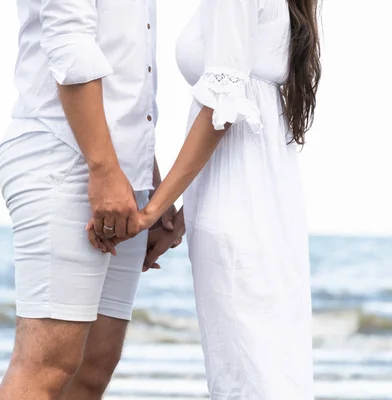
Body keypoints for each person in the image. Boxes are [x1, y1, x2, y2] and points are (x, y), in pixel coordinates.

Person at [89, 0, 321, 398]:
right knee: (265, 367)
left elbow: (222, 106)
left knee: (249, 374)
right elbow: (241, 124)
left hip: (238, 215)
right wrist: (177, 218)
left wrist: (149, 213)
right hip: (263, 206)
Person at [0, 0, 181, 399]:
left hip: (120, 172)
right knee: (46, 366)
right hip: (63, 156)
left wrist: (148, 182)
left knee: (94, 367)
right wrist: (104, 172)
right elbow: (69, 42)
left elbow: (129, 77)